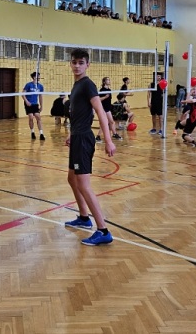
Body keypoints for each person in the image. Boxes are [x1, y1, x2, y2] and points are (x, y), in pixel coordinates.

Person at [63, 48, 116, 246]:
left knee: (84, 185)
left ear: (87, 65)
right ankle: (84, 217)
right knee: (72, 178)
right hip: (77, 137)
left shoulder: (87, 85)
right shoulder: (76, 85)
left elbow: (100, 112)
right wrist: (71, 133)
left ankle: (103, 230)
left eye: (81, 63)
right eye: (74, 62)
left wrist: (108, 140)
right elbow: (78, 114)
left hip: (84, 139)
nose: (77, 66)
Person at [96, 77, 122, 142]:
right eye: (108, 80)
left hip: (108, 108)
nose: (109, 81)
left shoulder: (109, 90)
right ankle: (98, 136)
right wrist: (105, 97)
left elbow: (109, 100)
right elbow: (98, 99)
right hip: (103, 109)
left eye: (109, 80)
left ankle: (114, 134)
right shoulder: (102, 90)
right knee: (105, 123)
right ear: (104, 82)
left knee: (111, 122)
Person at [22, 71, 45, 140]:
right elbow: (23, 94)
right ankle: (32, 132)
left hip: (35, 104)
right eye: (38, 76)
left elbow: (40, 96)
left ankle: (41, 134)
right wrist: (26, 101)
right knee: (31, 117)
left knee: (38, 117)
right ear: (34, 77)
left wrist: (41, 106)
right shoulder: (28, 85)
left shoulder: (40, 86)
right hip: (29, 104)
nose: (39, 77)